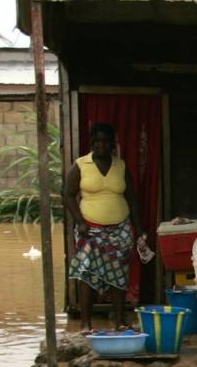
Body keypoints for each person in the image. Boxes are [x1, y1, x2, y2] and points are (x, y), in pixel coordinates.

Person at [62, 123, 147, 331]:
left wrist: (139, 230)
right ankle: (85, 324)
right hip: (89, 229)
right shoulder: (81, 165)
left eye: (105, 141)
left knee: (119, 274)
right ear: (91, 142)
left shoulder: (121, 166)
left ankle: (118, 321)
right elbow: (67, 195)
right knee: (87, 272)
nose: (101, 145)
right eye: (97, 141)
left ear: (112, 144)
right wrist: (80, 221)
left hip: (120, 230)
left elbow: (132, 199)